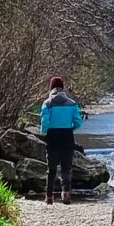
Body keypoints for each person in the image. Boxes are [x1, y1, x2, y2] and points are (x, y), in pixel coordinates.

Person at [38, 76, 84, 204]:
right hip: (67, 136)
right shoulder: (72, 103)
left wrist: (44, 131)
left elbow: (44, 122)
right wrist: (71, 128)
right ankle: (66, 194)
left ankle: (49, 196)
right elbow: (78, 122)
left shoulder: (47, 103)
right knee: (66, 168)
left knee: (51, 169)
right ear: (63, 88)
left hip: (52, 137)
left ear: (51, 87)